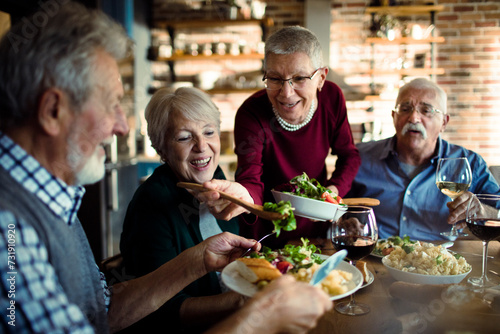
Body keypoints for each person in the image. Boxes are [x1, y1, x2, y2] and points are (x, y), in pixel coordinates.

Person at [0, 3, 332, 333]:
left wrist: (197, 261)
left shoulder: (55, 202)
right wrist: (259, 315)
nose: (122, 126)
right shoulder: (8, 225)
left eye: (209, 132)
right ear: (53, 110)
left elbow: (101, 310)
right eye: (111, 103)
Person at [119, 87, 254, 333]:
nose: (202, 146)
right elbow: (161, 311)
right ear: (162, 148)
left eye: (209, 132)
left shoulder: (218, 179)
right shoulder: (151, 205)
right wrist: (243, 302)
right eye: (184, 137)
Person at [214, 26, 361, 248]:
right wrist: (242, 193)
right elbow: (251, 179)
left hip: (316, 229)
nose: (286, 92)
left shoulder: (332, 98)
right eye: (274, 78)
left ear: (321, 78)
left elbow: (349, 155)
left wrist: (331, 192)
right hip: (263, 232)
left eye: (299, 78)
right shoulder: (251, 113)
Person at [346, 78, 500, 241]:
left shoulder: (469, 163)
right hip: (371, 259)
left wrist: (483, 211)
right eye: (405, 109)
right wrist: (346, 220)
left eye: (426, 110)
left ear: (444, 123)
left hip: (439, 263)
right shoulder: (360, 157)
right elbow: (337, 208)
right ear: (394, 117)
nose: (413, 118)